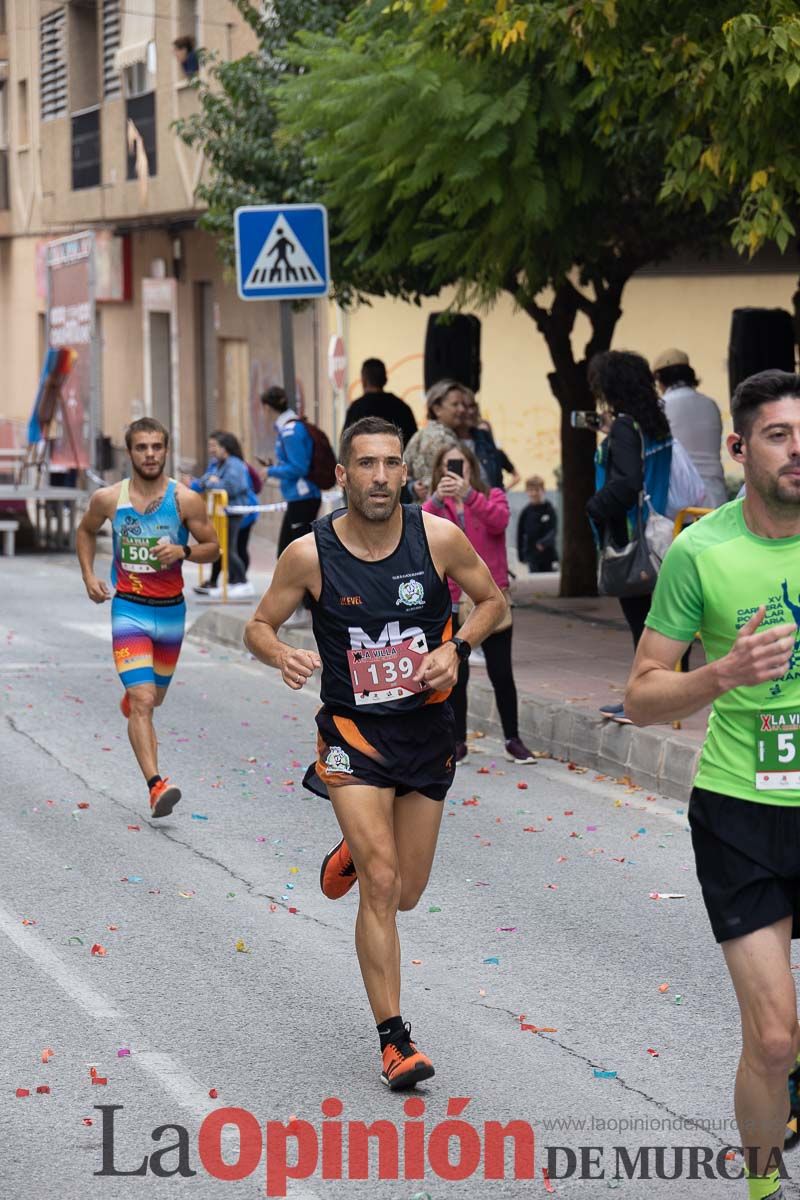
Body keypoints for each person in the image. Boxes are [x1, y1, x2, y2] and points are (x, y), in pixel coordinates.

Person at [244, 416, 506, 1089]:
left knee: (408, 891)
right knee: (384, 883)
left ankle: (352, 857)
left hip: (425, 733)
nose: (381, 477)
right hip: (353, 738)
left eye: (391, 464)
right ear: (343, 475)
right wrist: (282, 653)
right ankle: (395, 1041)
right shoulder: (310, 554)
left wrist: (457, 647)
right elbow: (258, 625)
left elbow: (493, 602)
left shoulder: (437, 538)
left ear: (404, 474)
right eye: (366, 464)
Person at [625, 369, 800, 1200]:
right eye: (778, 434)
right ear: (738, 447)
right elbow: (642, 694)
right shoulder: (702, 551)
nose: (799, 451)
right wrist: (722, 672)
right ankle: (765, 1189)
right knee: (772, 1041)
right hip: (742, 810)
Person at [76, 418, 219, 817]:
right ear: (130, 453)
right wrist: (89, 576)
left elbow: (213, 547)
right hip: (130, 610)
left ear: (166, 451)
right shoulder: (108, 499)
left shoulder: (185, 500)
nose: (150, 454)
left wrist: (184, 553)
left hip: (171, 613)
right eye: (142, 447)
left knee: (153, 699)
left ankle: (136, 693)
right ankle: (156, 786)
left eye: (157, 447)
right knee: (143, 701)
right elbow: (85, 532)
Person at [423, 443, 537, 764]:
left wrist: (470, 496)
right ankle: (457, 741)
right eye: (448, 466)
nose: (456, 472)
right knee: (457, 674)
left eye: (461, 465)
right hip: (453, 600)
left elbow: (498, 522)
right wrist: (434, 499)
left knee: (502, 672)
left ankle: (513, 739)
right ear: (438, 471)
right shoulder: (435, 505)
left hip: (492, 597)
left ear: (472, 468)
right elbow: (418, 529)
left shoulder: (492, 496)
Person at [585, 350, 674, 724]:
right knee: (658, 622)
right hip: (661, 530)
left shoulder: (625, 426)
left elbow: (626, 482)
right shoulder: (654, 423)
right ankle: (654, 698)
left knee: (643, 626)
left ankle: (643, 703)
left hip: (632, 537)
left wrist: (594, 506)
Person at [653, 347, 728, 509]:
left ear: (659, 378)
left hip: (680, 499)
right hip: (715, 493)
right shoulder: (711, 404)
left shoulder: (661, 407)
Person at [189, 432, 259, 600]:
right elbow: (203, 481)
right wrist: (209, 481)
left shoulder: (234, 464)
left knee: (230, 549)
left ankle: (242, 582)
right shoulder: (218, 464)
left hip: (235, 511)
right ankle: (234, 582)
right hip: (223, 512)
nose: (211, 450)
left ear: (224, 448)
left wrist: (214, 482)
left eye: (214, 446)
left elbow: (233, 487)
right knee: (225, 548)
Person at [260, 386, 322, 556]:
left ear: (266, 408)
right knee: (286, 553)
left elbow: (299, 467)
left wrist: (270, 471)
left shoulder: (290, 431)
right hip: (298, 498)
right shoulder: (290, 427)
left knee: (298, 554)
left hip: (302, 497)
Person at [403, 379, 465, 501]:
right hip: (441, 511)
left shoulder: (419, 435)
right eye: (455, 404)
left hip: (419, 511)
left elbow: (403, 472)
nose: (462, 409)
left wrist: (412, 488)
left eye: (462, 404)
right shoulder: (445, 440)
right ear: (437, 409)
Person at [343, 358, 418, 449]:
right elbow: (414, 445)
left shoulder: (356, 409)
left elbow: (345, 447)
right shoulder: (402, 408)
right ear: (385, 379)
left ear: (363, 381)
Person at [458, 390, 520, 489]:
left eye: (472, 406)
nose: (470, 411)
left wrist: (502, 492)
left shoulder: (495, 452)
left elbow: (514, 476)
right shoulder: (451, 442)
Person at [517, 475, 558, 572]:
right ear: (527, 492)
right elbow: (520, 535)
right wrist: (521, 556)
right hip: (532, 557)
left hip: (548, 556)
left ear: (543, 491)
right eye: (531, 490)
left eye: (537, 490)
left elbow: (555, 529)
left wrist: (544, 543)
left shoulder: (549, 509)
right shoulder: (525, 512)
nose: (534, 493)